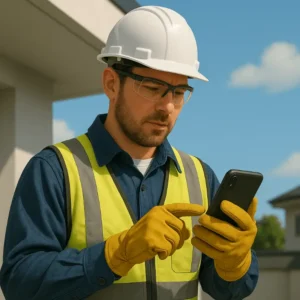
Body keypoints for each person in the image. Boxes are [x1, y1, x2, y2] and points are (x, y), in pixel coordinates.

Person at [0, 5, 259, 300]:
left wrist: (235, 263)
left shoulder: (200, 177)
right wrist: (116, 254)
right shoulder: (55, 169)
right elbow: (20, 285)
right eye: (152, 87)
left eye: (178, 92)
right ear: (111, 84)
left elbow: (230, 289)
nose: (167, 107)